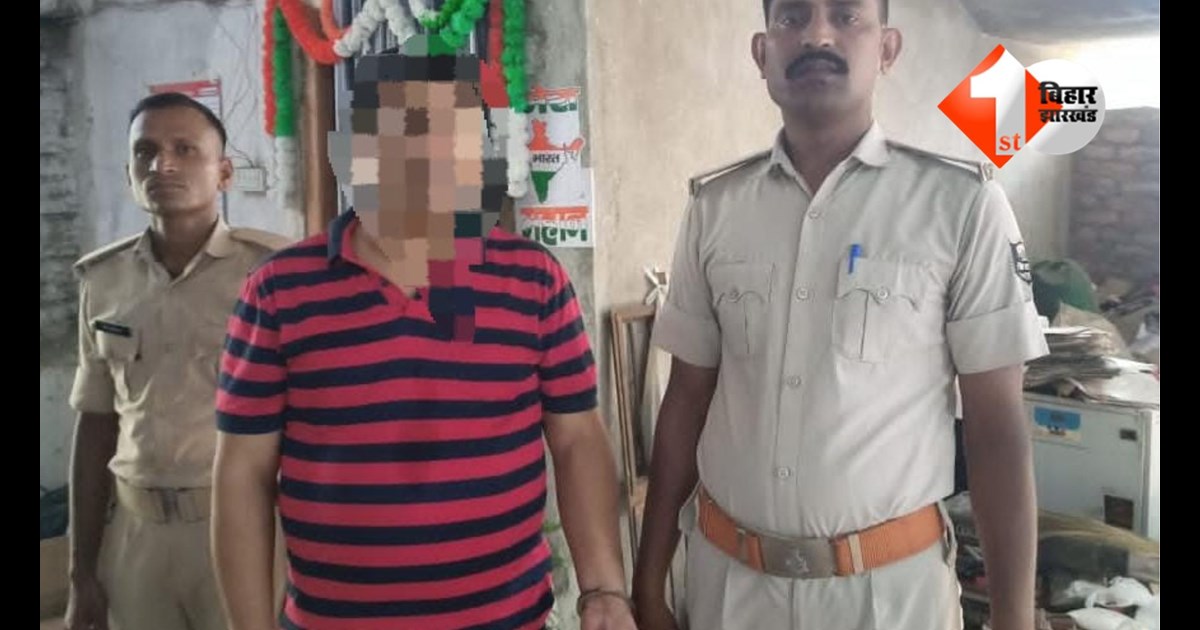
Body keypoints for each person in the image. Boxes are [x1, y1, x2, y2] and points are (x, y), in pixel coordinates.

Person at [632, 1, 1049, 629]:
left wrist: (1014, 619)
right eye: (792, 18)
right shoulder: (716, 208)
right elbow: (687, 398)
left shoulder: (960, 205)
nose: (817, 35)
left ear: (887, 49)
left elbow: (996, 427)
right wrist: (647, 583)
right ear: (762, 53)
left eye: (846, 16)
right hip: (728, 589)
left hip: (888, 599)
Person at [211, 37, 636, 630]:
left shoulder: (534, 281)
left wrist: (604, 592)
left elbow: (576, 439)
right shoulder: (279, 292)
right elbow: (243, 473)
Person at [65, 92, 291, 630]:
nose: (161, 165)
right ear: (128, 172)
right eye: (145, 152)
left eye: (184, 149)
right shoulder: (104, 280)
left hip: (244, 526)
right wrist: (81, 569)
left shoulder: (271, 275)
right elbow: (96, 424)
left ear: (224, 172)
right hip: (135, 534)